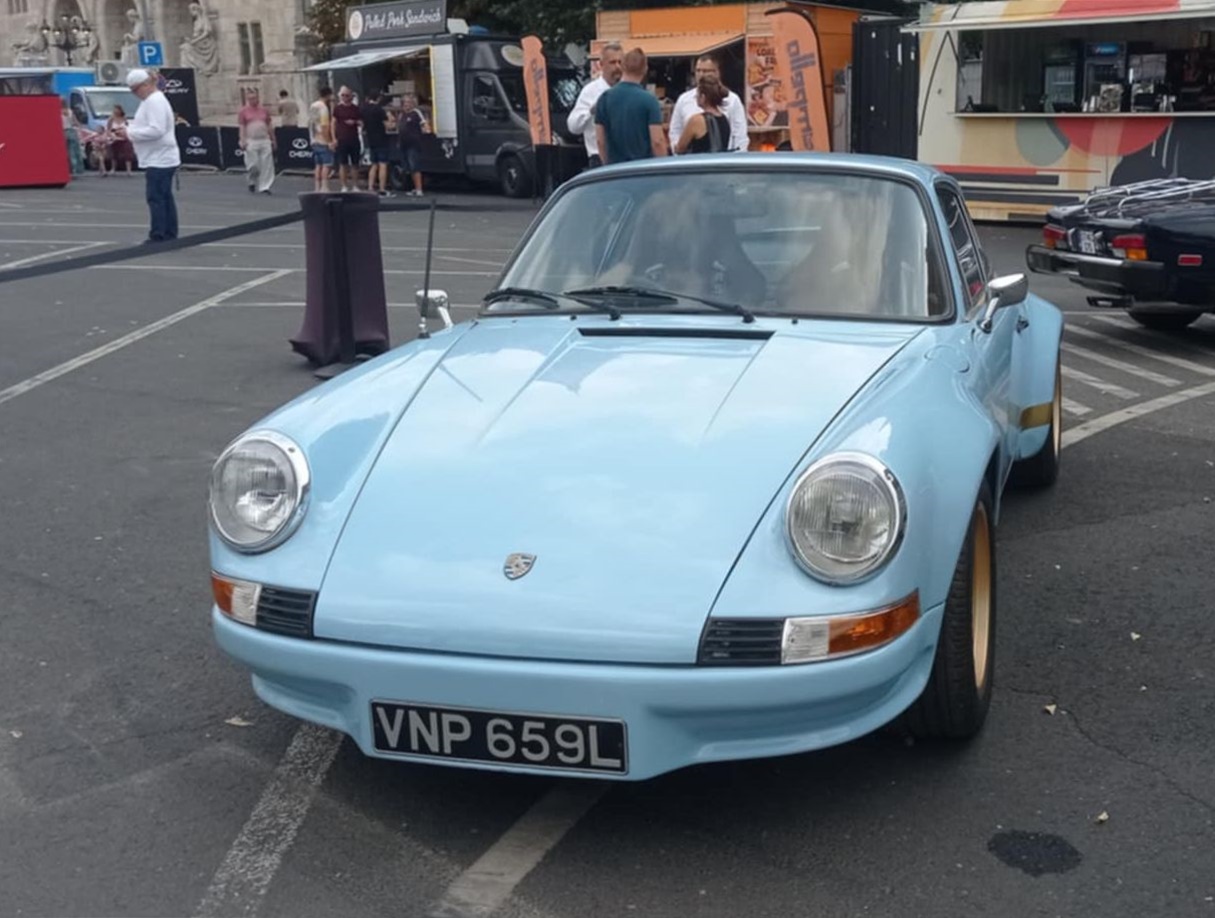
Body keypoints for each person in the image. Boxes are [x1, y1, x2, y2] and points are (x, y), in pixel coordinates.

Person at [113, 68, 180, 243]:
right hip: (160, 156)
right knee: (164, 196)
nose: (134, 94)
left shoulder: (154, 101)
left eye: (135, 89)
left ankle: (159, 234)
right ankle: (168, 232)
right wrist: (128, 129)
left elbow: (156, 130)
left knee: (156, 197)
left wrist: (129, 134)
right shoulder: (152, 100)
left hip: (159, 157)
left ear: (146, 85)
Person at [594, 47, 667, 165]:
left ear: (623, 67)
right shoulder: (649, 100)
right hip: (643, 170)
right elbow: (657, 141)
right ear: (645, 69)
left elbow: (600, 141)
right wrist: (664, 168)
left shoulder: (604, 99)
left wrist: (606, 166)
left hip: (615, 171)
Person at [669, 54, 749, 153]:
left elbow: (740, 136)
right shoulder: (683, 99)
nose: (701, 74)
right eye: (698, 71)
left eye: (706, 71)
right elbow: (675, 131)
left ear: (717, 72)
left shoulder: (732, 100)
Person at [567, 42, 624, 168]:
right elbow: (573, 127)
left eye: (620, 62)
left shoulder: (629, 90)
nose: (617, 67)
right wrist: (591, 111)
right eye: (613, 62)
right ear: (602, 65)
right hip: (598, 158)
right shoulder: (590, 91)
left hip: (625, 157)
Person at [674, 76, 731, 155]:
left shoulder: (696, 120)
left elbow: (680, 148)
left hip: (700, 165)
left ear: (703, 97)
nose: (696, 97)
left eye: (697, 94)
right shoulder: (724, 119)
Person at [238, 87, 276, 194]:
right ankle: (251, 179)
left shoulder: (264, 110)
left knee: (266, 164)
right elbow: (242, 127)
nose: (253, 100)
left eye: (255, 98)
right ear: (247, 99)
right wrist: (242, 140)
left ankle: (265, 186)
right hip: (251, 140)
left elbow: (269, 125)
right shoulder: (243, 111)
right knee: (253, 164)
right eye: (251, 99)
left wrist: (273, 139)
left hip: (264, 139)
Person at [360, 91, 392, 196]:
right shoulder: (379, 109)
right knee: (383, 164)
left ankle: (370, 186)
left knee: (373, 164)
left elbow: (361, 124)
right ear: (378, 98)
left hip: (371, 139)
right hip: (381, 139)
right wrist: (391, 118)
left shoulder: (364, 109)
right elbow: (388, 125)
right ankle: (382, 188)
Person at [396, 93, 428, 196]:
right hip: (403, 144)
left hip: (413, 144)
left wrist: (426, 128)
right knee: (408, 168)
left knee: (415, 166)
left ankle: (419, 189)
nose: (407, 105)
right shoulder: (402, 115)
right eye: (405, 103)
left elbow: (424, 123)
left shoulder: (416, 113)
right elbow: (399, 128)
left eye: (409, 102)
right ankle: (414, 188)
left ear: (412, 104)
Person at [332, 86, 362, 192]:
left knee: (355, 164)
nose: (344, 97)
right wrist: (334, 138)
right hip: (342, 138)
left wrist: (354, 122)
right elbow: (333, 123)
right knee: (342, 163)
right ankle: (344, 185)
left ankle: (355, 185)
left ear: (351, 96)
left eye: (347, 95)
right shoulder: (337, 108)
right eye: (342, 95)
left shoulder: (356, 108)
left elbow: (361, 122)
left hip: (353, 138)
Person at [309, 85, 335, 193]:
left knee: (318, 165)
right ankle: (324, 186)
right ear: (328, 95)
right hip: (322, 139)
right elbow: (325, 126)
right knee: (326, 165)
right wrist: (329, 141)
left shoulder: (313, 105)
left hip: (314, 138)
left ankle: (317, 187)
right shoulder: (323, 108)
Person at [105, 105, 136, 175]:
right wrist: (111, 135)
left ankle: (129, 170)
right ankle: (113, 169)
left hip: (124, 138)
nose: (116, 111)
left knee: (128, 153)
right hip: (114, 138)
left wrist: (126, 133)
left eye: (117, 109)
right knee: (114, 153)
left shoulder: (124, 118)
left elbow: (127, 127)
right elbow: (108, 129)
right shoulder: (111, 119)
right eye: (114, 110)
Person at [61, 100, 84, 176]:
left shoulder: (58, 112)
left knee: (64, 151)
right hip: (71, 131)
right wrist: (80, 128)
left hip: (63, 132)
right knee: (73, 151)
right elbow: (76, 122)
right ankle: (75, 168)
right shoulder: (70, 112)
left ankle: (67, 168)